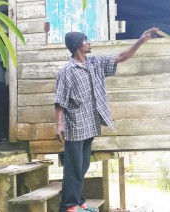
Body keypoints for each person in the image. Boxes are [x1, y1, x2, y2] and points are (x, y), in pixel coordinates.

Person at [54, 28, 158, 212]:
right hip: (75, 125)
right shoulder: (67, 70)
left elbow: (121, 56)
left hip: (90, 124)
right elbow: (60, 100)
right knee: (73, 166)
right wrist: (59, 124)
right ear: (79, 45)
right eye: (86, 40)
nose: (90, 42)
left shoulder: (95, 62)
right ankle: (68, 205)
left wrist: (141, 41)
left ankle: (77, 201)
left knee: (83, 165)